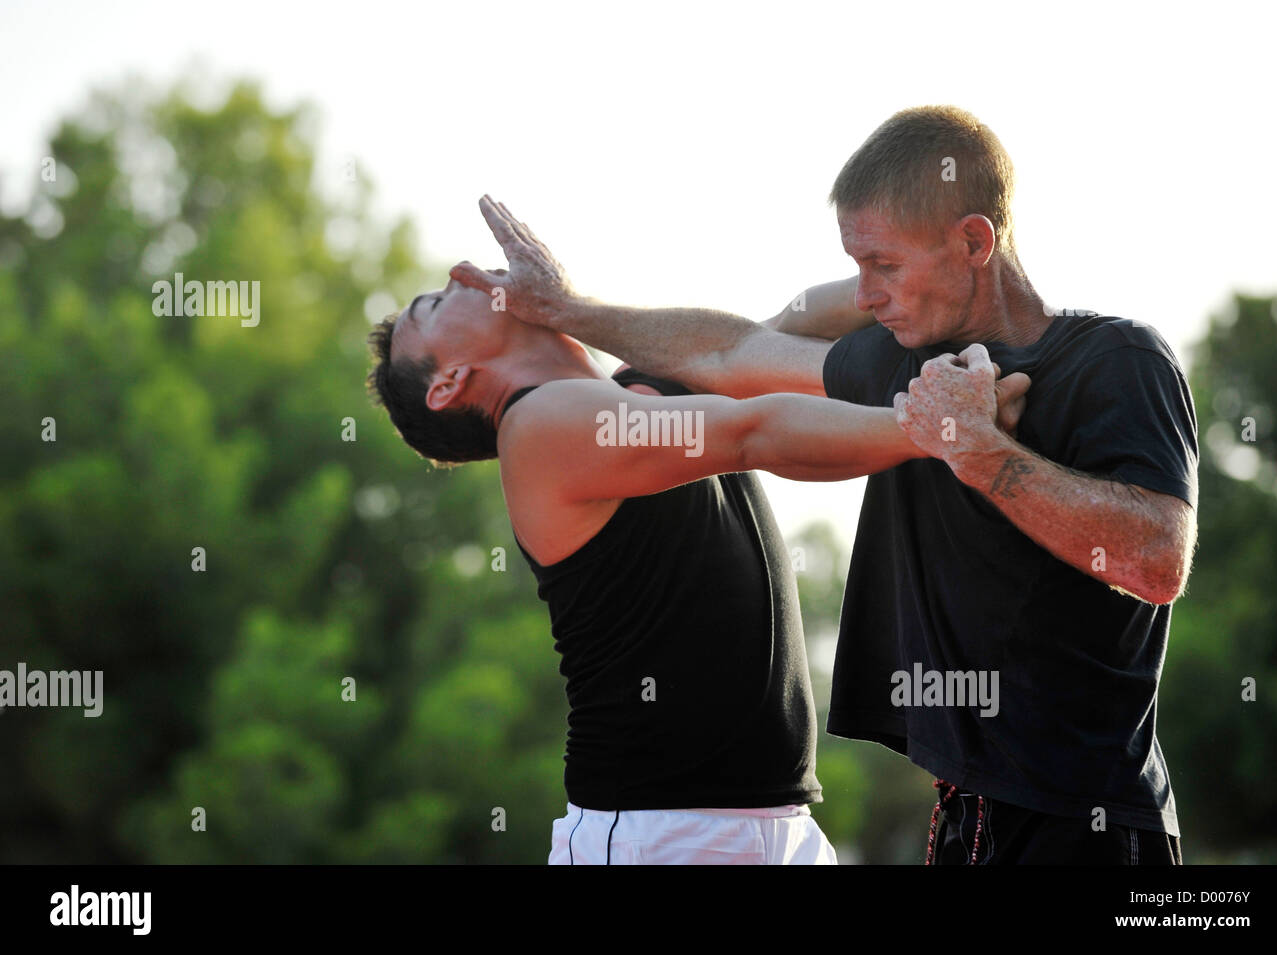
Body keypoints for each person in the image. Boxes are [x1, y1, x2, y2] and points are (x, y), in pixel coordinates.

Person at [450, 104, 1199, 865]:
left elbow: (1156, 560)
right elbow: (731, 350)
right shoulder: (902, 362)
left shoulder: (1117, 358)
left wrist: (981, 454)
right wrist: (568, 307)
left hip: (1093, 825)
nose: (863, 293)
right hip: (965, 816)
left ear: (975, 240)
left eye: (883, 265)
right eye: (856, 265)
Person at [366, 269, 1029, 864]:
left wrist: (922, 277)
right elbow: (753, 432)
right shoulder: (538, 428)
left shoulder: (636, 391)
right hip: (660, 836)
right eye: (433, 302)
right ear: (449, 382)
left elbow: (778, 331)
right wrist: (940, 428)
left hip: (775, 826)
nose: (462, 273)